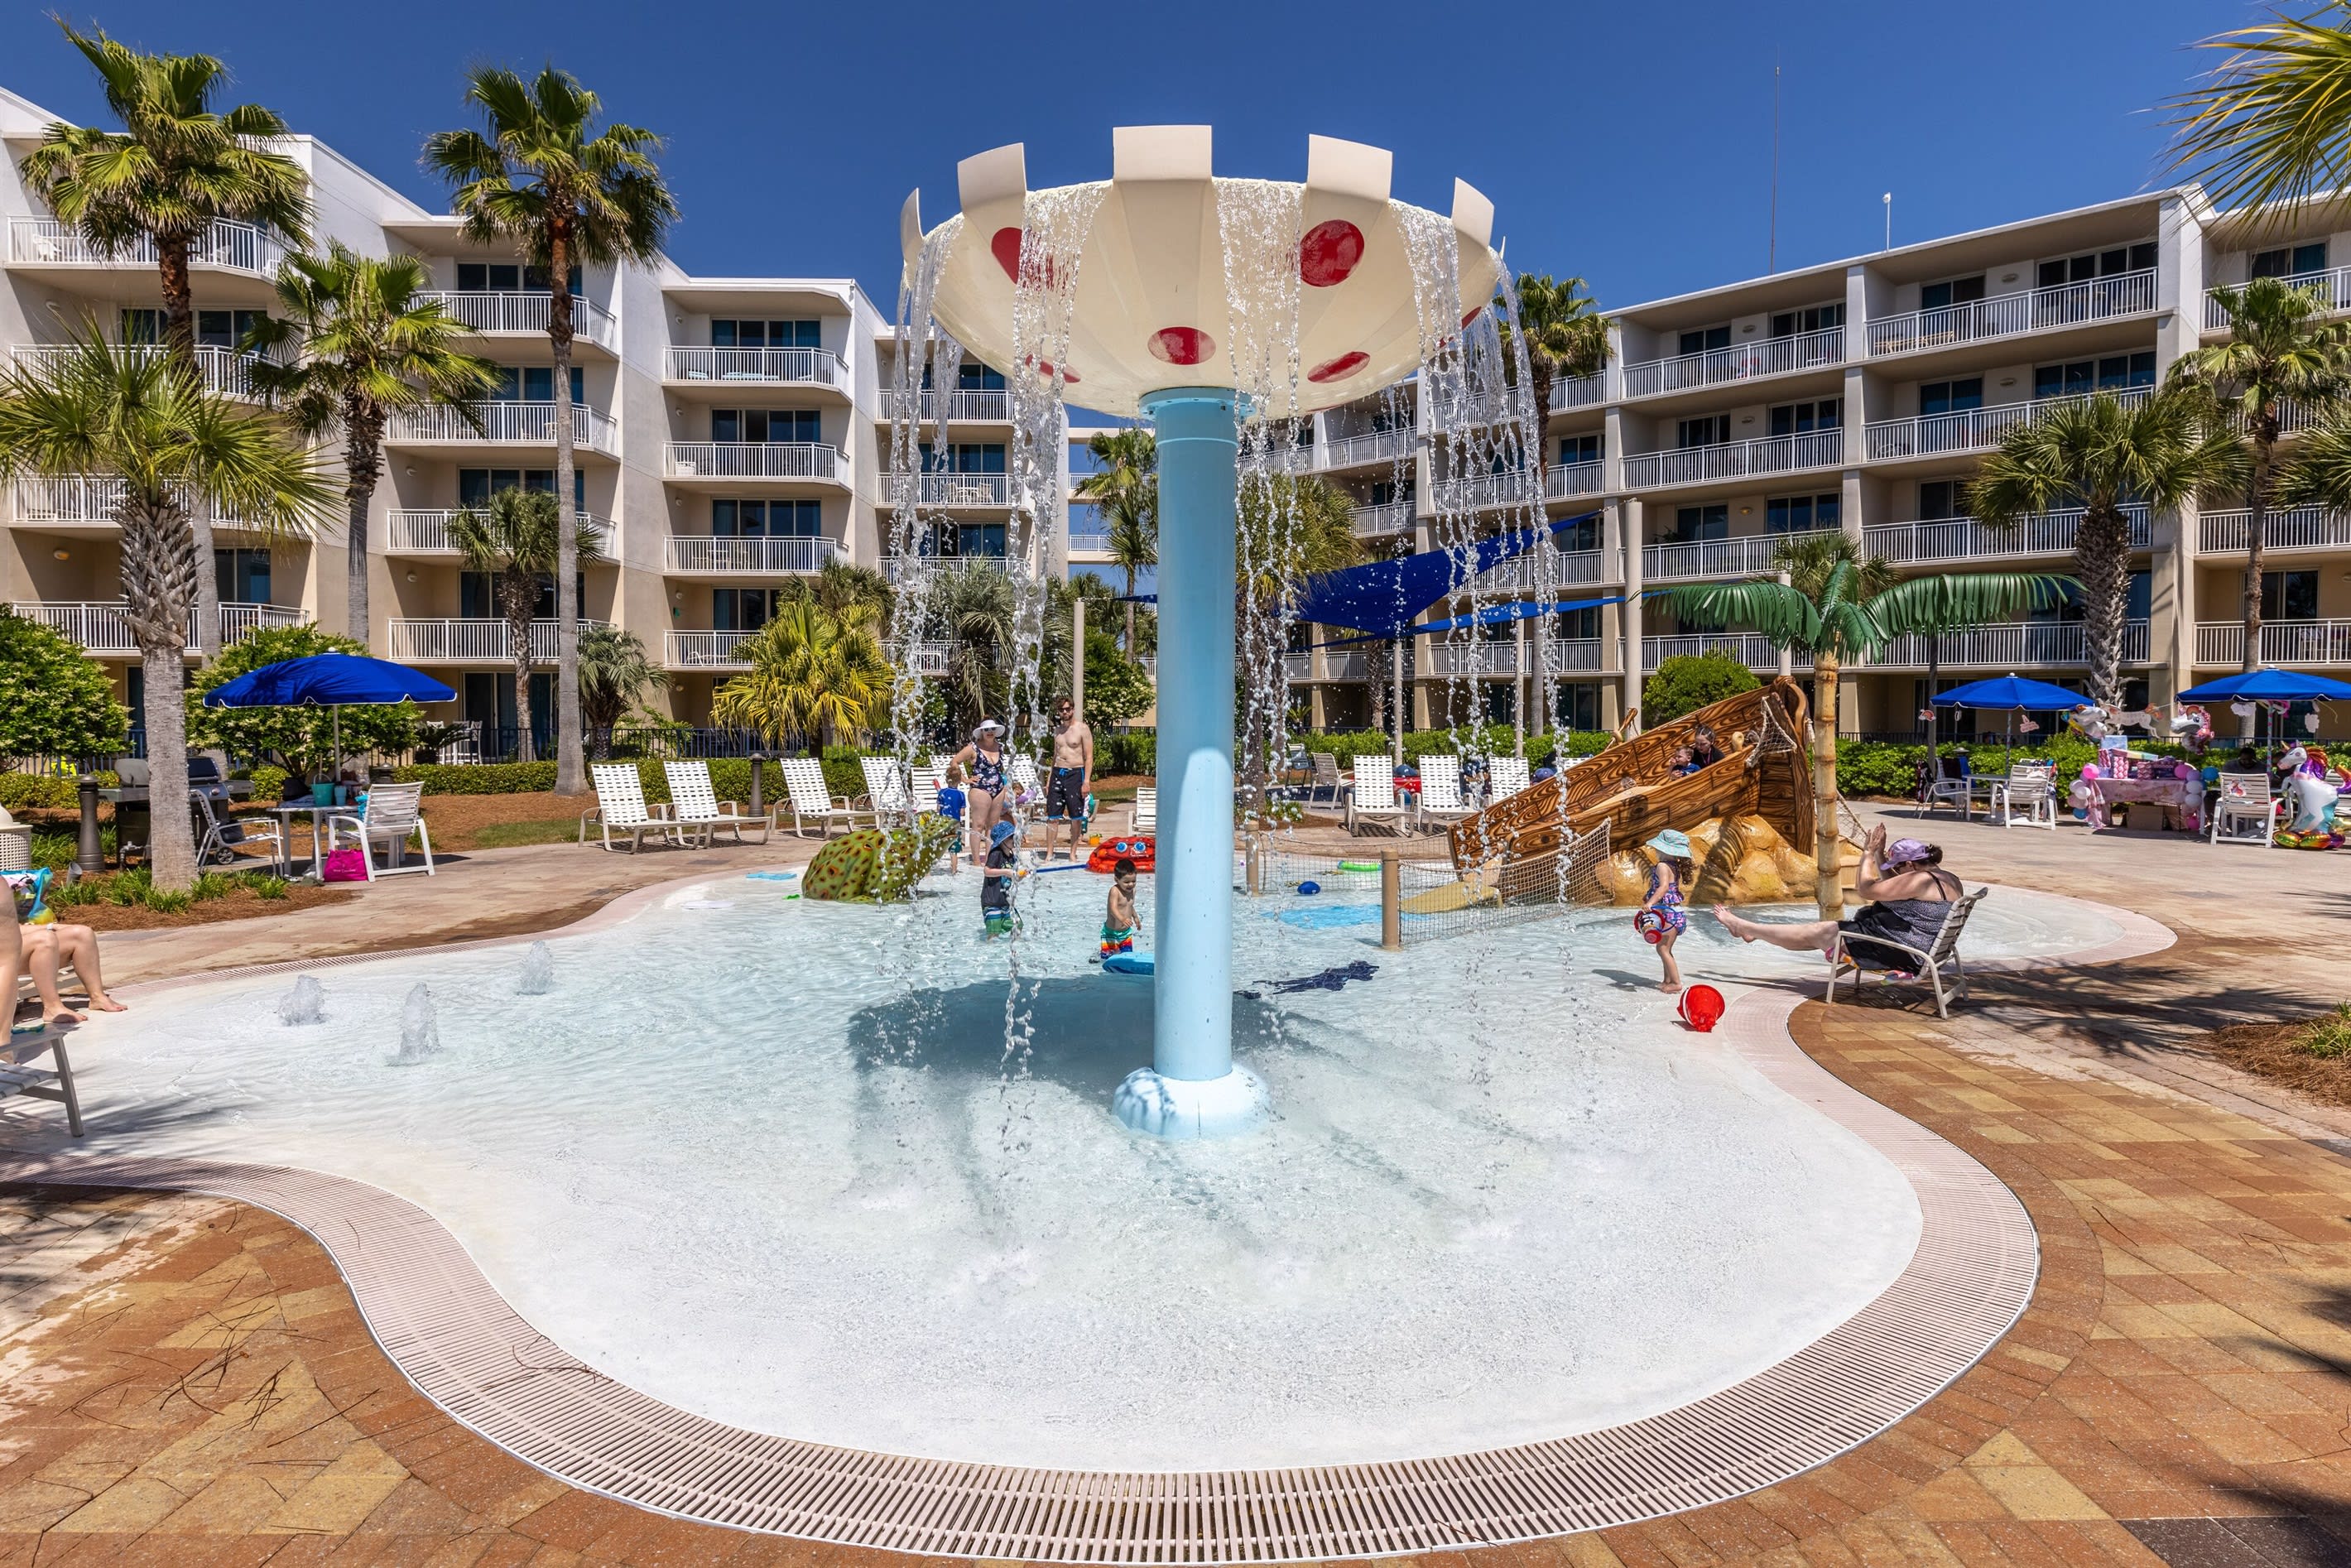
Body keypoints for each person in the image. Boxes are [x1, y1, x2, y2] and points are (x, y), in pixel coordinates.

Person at [1714, 825, 1961, 969]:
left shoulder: (1920, 880)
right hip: (1920, 950)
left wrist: (1867, 854)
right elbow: (1892, 886)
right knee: (1817, 933)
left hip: (1902, 953)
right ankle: (1751, 931)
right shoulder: (1946, 879)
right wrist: (1879, 857)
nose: (1894, 873)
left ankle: (1746, 929)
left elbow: (1865, 889)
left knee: (1818, 931)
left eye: (1898, 868)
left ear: (1909, 864)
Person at [1636, 829, 1693, 994]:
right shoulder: (1673, 865)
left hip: (1669, 913)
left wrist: (1651, 903)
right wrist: (1649, 897)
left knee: (1662, 949)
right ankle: (1667, 980)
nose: (1655, 850)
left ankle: (1675, 983)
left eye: (1657, 848)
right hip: (1676, 913)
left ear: (1663, 849)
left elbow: (1664, 887)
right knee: (1665, 948)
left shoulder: (1662, 865)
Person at [950, 720, 1010, 869]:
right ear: (981, 732)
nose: (990, 732)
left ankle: (990, 860)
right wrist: (965, 779)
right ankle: (977, 861)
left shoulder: (1000, 747)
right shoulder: (974, 748)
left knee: (993, 826)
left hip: (998, 788)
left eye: (992, 729)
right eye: (986, 730)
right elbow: (955, 762)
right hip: (980, 789)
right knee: (978, 825)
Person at [1045, 695, 1094, 860]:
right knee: (1052, 817)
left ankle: (1072, 853)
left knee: (1076, 817)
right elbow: (1055, 756)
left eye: (1068, 709)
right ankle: (1050, 853)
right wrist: (1049, 778)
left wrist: (1086, 781)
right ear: (1058, 712)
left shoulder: (1082, 729)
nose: (1065, 712)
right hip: (1058, 773)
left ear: (1072, 709)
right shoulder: (1058, 731)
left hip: (1075, 774)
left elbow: (1089, 757)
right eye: (1062, 710)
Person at [980, 817, 1023, 938]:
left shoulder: (1011, 856)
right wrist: (1006, 872)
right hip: (991, 900)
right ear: (1002, 840)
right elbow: (987, 871)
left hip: (1005, 901)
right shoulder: (996, 853)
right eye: (1011, 837)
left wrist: (1021, 875)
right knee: (994, 932)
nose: (1014, 839)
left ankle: (1014, 950)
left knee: (1017, 925)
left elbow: (1014, 877)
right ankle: (991, 954)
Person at [1096, 857, 1141, 963]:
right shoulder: (1115, 891)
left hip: (1125, 933)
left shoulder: (1132, 891)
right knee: (1107, 959)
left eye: (1134, 881)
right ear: (1117, 879)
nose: (1131, 884)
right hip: (1110, 933)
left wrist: (1135, 917)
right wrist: (1122, 919)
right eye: (1126, 882)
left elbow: (1129, 905)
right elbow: (1113, 908)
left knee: (1128, 957)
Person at [935, 763, 969, 870]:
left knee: (937, 848)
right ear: (959, 781)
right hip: (955, 824)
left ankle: (928, 873)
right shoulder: (961, 794)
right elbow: (962, 813)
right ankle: (954, 870)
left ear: (946, 780)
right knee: (954, 850)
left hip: (942, 824)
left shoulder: (942, 792)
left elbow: (938, 809)